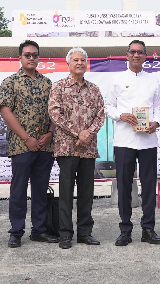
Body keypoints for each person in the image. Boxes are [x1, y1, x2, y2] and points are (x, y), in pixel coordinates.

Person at [0, 40, 58, 248]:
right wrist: (26, 138)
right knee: (19, 189)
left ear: (39, 57)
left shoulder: (48, 83)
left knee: (41, 189)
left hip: (44, 145)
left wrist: (50, 133)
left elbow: (54, 111)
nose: (31, 58)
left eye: (34, 55)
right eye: (27, 55)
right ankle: (16, 231)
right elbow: (6, 111)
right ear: (20, 57)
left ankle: (39, 230)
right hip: (21, 145)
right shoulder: (10, 82)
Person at [104, 39, 160, 246]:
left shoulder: (153, 80)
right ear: (127, 55)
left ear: (145, 56)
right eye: (133, 52)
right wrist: (121, 115)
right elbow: (107, 107)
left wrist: (156, 122)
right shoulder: (117, 79)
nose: (136, 55)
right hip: (124, 140)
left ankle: (148, 228)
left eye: (140, 52)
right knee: (124, 186)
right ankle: (125, 229)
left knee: (149, 185)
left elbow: (159, 107)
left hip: (147, 141)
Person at [48, 47, 105, 249]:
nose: (79, 63)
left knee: (86, 192)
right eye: (75, 60)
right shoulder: (59, 87)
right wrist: (77, 133)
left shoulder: (94, 89)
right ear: (68, 64)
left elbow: (101, 115)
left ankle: (84, 233)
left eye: (82, 60)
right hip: (66, 148)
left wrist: (88, 134)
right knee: (65, 192)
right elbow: (55, 114)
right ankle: (65, 234)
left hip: (88, 149)